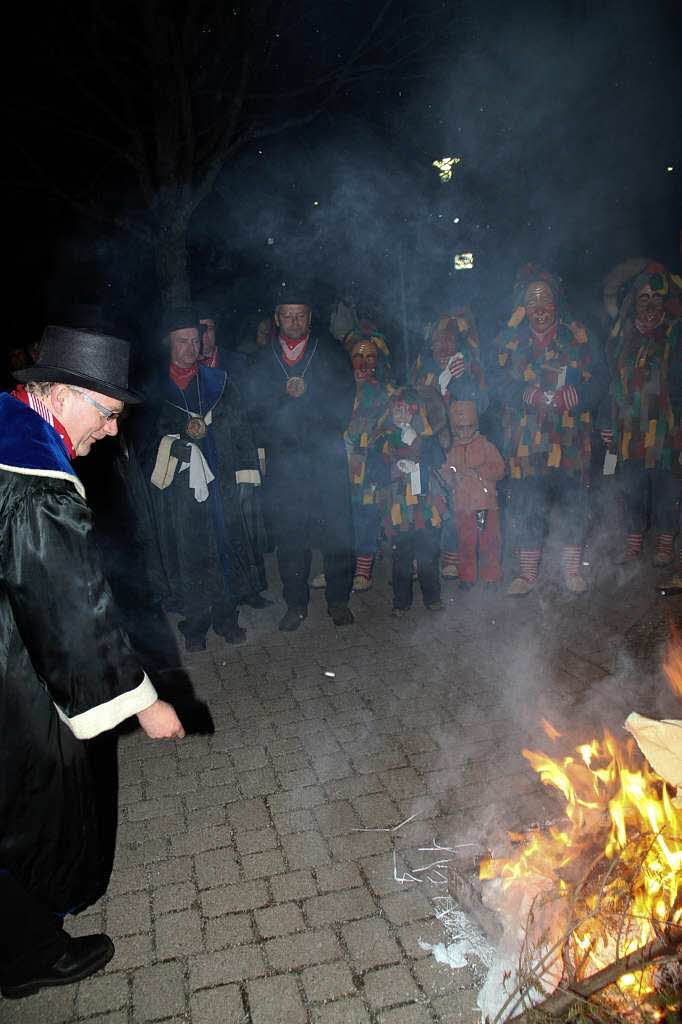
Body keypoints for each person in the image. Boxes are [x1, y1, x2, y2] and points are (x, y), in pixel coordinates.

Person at [0, 326, 184, 999]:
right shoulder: (34, 480)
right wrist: (145, 701)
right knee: (27, 808)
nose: (110, 433)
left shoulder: (9, 423)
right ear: (63, 393)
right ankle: (29, 956)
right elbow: (70, 611)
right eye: (107, 415)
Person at [139, 308, 266, 651]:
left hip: (221, 482)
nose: (191, 348)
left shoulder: (219, 384)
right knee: (188, 553)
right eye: (183, 342)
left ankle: (227, 618)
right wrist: (175, 447)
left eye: (196, 341)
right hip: (178, 493)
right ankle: (195, 623)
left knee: (224, 547)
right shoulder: (154, 392)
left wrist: (245, 478)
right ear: (169, 344)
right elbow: (143, 442)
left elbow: (240, 429)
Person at [493, 265, 607, 595]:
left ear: (556, 304)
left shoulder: (579, 336)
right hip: (527, 443)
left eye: (545, 302)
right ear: (523, 308)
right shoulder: (509, 342)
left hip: (570, 440)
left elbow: (600, 377)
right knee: (528, 504)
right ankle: (527, 575)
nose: (540, 311)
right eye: (532, 303)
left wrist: (577, 396)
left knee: (573, 502)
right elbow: (497, 380)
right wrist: (525, 394)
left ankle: (572, 572)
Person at [247, 285, 355, 631]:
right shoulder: (263, 359)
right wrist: (282, 399)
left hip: (325, 456)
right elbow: (255, 407)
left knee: (337, 531)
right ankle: (296, 604)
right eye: (288, 315)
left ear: (310, 317)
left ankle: (338, 601)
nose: (294, 322)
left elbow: (345, 394)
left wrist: (320, 418)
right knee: (291, 534)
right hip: (285, 461)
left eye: (300, 315)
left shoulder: (331, 351)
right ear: (277, 319)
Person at [600, 263, 682, 584]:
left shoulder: (676, 336)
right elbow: (611, 385)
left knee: (666, 488)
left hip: (666, 430)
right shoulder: (620, 338)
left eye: (656, 297)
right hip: (629, 431)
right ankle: (633, 541)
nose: (649, 305)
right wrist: (606, 421)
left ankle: (665, 542)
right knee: (632, 487)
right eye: (643, 297)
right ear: (633, 301)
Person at [369, 388, 448, 616]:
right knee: (401, 556)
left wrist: (418, 443)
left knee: (428, 554)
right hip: (398, 508)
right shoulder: (382, 438)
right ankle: (401, 602)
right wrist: (395, 469)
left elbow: (438, 459)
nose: (401, 415)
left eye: (406, 411)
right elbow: (375, 471)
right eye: (397, 410)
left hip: (424, 504)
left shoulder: (426, 437)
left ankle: (432, 598)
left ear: (415, 412)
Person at [345, 336, 394, 591]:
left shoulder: (385, 392)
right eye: (358, 357)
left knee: (366, 514)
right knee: (341, 514)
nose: (363, 364)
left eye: (370, 357)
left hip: (369, 464)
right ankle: (341, 568)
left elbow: (390, 428)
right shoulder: (339, 388)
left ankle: (363, 570)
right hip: (340, 462)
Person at [441, 400, 505, 589]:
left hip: (485, 505)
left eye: (469, 427)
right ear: (454, 429)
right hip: (463, 507)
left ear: (475, 426)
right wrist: (453, 477)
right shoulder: (451, 450)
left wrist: (480, 472)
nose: (465, 432)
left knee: (489, 541)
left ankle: (491, 576)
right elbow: (445, 473)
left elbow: (500, 469)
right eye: (460, 428)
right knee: (466, 542)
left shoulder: (486, 446)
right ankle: (467, 577)